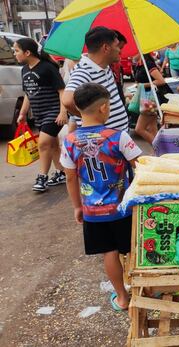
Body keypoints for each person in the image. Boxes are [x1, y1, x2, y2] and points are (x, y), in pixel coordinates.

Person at [61, 82, 142, 311]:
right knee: (133, 247)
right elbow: (141, 166)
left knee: (110, 252)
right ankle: (143, 289)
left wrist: (78, 207)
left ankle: (122, 297)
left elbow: (70, 177)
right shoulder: (119, 137)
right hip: (123, 207)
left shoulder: (69, 141)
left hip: (93, 212)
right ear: (104, 108)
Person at [13, 38, 68, 192]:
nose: (14, 54)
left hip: (54, 112)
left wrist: (63, 112)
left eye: (16, 50)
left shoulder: (47, 68)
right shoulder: (24, 70)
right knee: (53, 144)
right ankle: (61, 172)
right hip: (39, 113)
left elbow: (61, 91)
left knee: (43, 143)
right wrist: (23, 113)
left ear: (27, 52)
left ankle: (42, 177)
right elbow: (27, 94)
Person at [62, 26, 129, 133]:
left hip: (116, 137)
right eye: (117, 46)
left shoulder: (104, 66)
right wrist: (91, 119)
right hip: (103, 141)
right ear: (106, 48)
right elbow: (67, 100)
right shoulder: (84, 70)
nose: (119, 51)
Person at [133, 53, 172, 144]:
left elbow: (161, 81)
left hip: (150, 100)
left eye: (134, 53)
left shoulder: (148, 64)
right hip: (147, 99)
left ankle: (159, 148)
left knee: (139, 129)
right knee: (152, 128)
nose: (131, 55)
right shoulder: (140, 65)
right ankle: (157, 152)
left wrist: (142, 85)